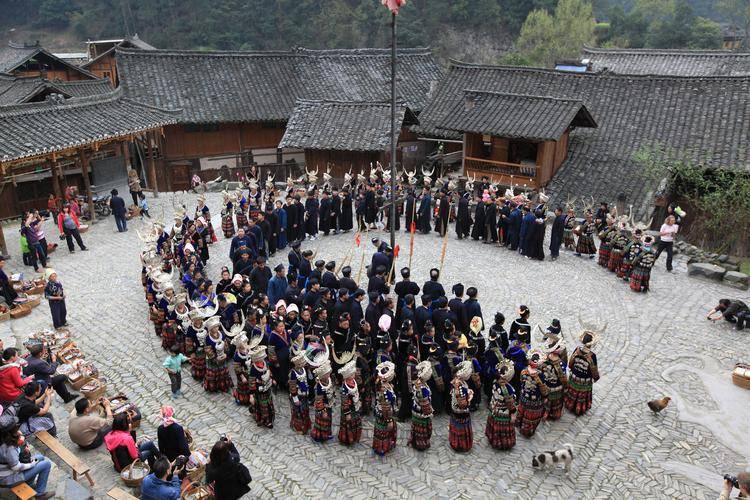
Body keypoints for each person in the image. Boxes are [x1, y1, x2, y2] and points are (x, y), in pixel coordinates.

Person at [0, 416, 55, 499]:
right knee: (46, 464)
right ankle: (40, 494)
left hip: (5, 472)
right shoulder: (9, 447)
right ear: (11, 432)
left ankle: (29, 483)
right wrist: (32, 464)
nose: (18, 428)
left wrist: (21, 448)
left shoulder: (4, 441)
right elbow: (15, 467)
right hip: (9, 478)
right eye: (16, 428)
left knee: (40, 457)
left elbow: (9, 458)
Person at [564, 330, 600, 416]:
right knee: (582, 394)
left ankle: (570, 404)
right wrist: (596, 378)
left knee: (573, 391)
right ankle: (579, 408)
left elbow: (570, 364)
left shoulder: (577, 350)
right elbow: (594, 371)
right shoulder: (592, 356)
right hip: (584, 380)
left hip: (575, 376)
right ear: (591, 344)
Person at [515, 349, 548, 438]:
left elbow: (521, 381)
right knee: (531, 416)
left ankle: (519, 423)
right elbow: (543, 389)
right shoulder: (540, 375)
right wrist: (545, 396)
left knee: (522, 411)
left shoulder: (524, 371)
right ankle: (527, 431)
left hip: (524, 396)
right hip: (534, 400)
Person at [485, 360, 516, 450]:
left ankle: (493, 439)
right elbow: (510, 405)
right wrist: (513, 413)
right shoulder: (508, 389)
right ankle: (502, 443)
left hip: (494, 409)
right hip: (503, 413)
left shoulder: (495, 382)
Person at [372, 361, 397, 456]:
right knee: (384, 430)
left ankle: (379, 446)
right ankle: (382, 447)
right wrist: (389, 420)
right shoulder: (385, 391)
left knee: (381, 429)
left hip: (381, 413)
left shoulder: (382, 384)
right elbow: (386, 407)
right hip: (384, 415)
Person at [448, 360, 474, 452]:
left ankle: (455, 442)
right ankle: (461, 445)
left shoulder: (456, 382)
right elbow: (463, 404)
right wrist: (470, 396)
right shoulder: (459, 387)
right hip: (461, 412)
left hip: (455, 410)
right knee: (461, 426)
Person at [408, 361, 433, 451]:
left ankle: (416, 441)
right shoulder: (423, 389)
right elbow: (425, 406)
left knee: (417, 427)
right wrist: (429, 412)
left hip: (416, 409)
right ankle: (420, 444)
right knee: (422, 428)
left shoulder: (418, 383)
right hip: (421, 411)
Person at [337, 360, 362, 446]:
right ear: (347, 376)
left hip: (355, 407)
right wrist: (347, 413)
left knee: (355, 422)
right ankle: (347, 439)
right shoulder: (344, 388)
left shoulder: (354, 382)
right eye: (352, 374)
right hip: (349, 409)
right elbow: (344, 402)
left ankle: (355, 437)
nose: (354, 375)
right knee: (348, 424)